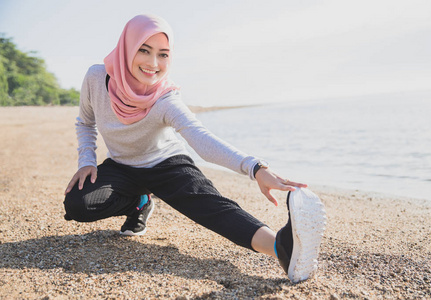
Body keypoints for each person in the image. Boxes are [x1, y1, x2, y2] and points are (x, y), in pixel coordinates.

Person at [63, 14, 326, 283]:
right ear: (127, 47)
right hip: (123, 167)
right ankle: (140, 203)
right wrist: (87, 160)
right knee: (78, 205)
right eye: (144, 50)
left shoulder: (165, 99)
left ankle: (283, 247)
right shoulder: (96, 78)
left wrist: (255, 168)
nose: (153, 63)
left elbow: (202, 139)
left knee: (210, 206)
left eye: (163, 55)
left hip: (166, 164)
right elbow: (85, 122)